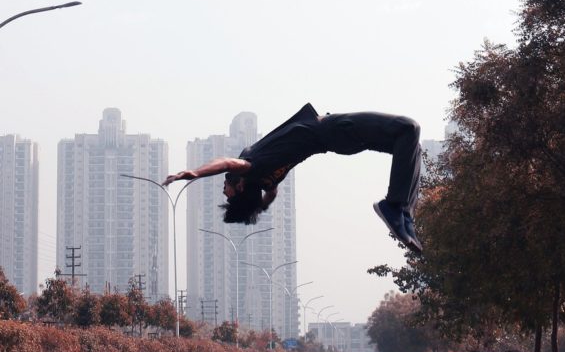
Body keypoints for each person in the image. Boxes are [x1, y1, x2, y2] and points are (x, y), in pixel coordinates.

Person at [163, 103, 422, 253]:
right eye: (227, 190)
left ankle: (404, 212)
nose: (223, 188)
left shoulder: (268, 181)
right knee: (409, 128)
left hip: (338, 142)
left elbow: (271, 195)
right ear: (241, 184)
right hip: (334, 130)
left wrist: (258, 206)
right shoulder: (252, 168)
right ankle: (393, 204)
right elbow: (227, 163)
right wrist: (195, 172)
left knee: (410, 145)